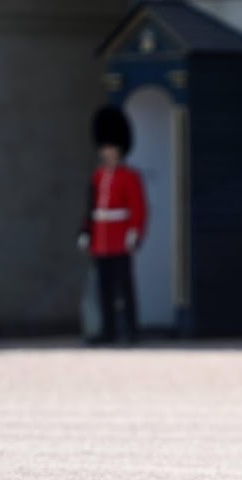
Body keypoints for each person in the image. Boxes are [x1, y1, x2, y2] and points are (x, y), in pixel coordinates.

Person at [78, 105, 148, 344]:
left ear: (119, 150)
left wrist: (135, 233)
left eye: (111, 148)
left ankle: (130, 331)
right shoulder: (97, 177)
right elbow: (91, 208)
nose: (107, 152)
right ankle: (108, 332)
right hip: (101, 239)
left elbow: (138, 208)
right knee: (104, 290)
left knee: (124, 288)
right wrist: (86, 232)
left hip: (119, 238)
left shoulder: (130, 177)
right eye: (105, 147)